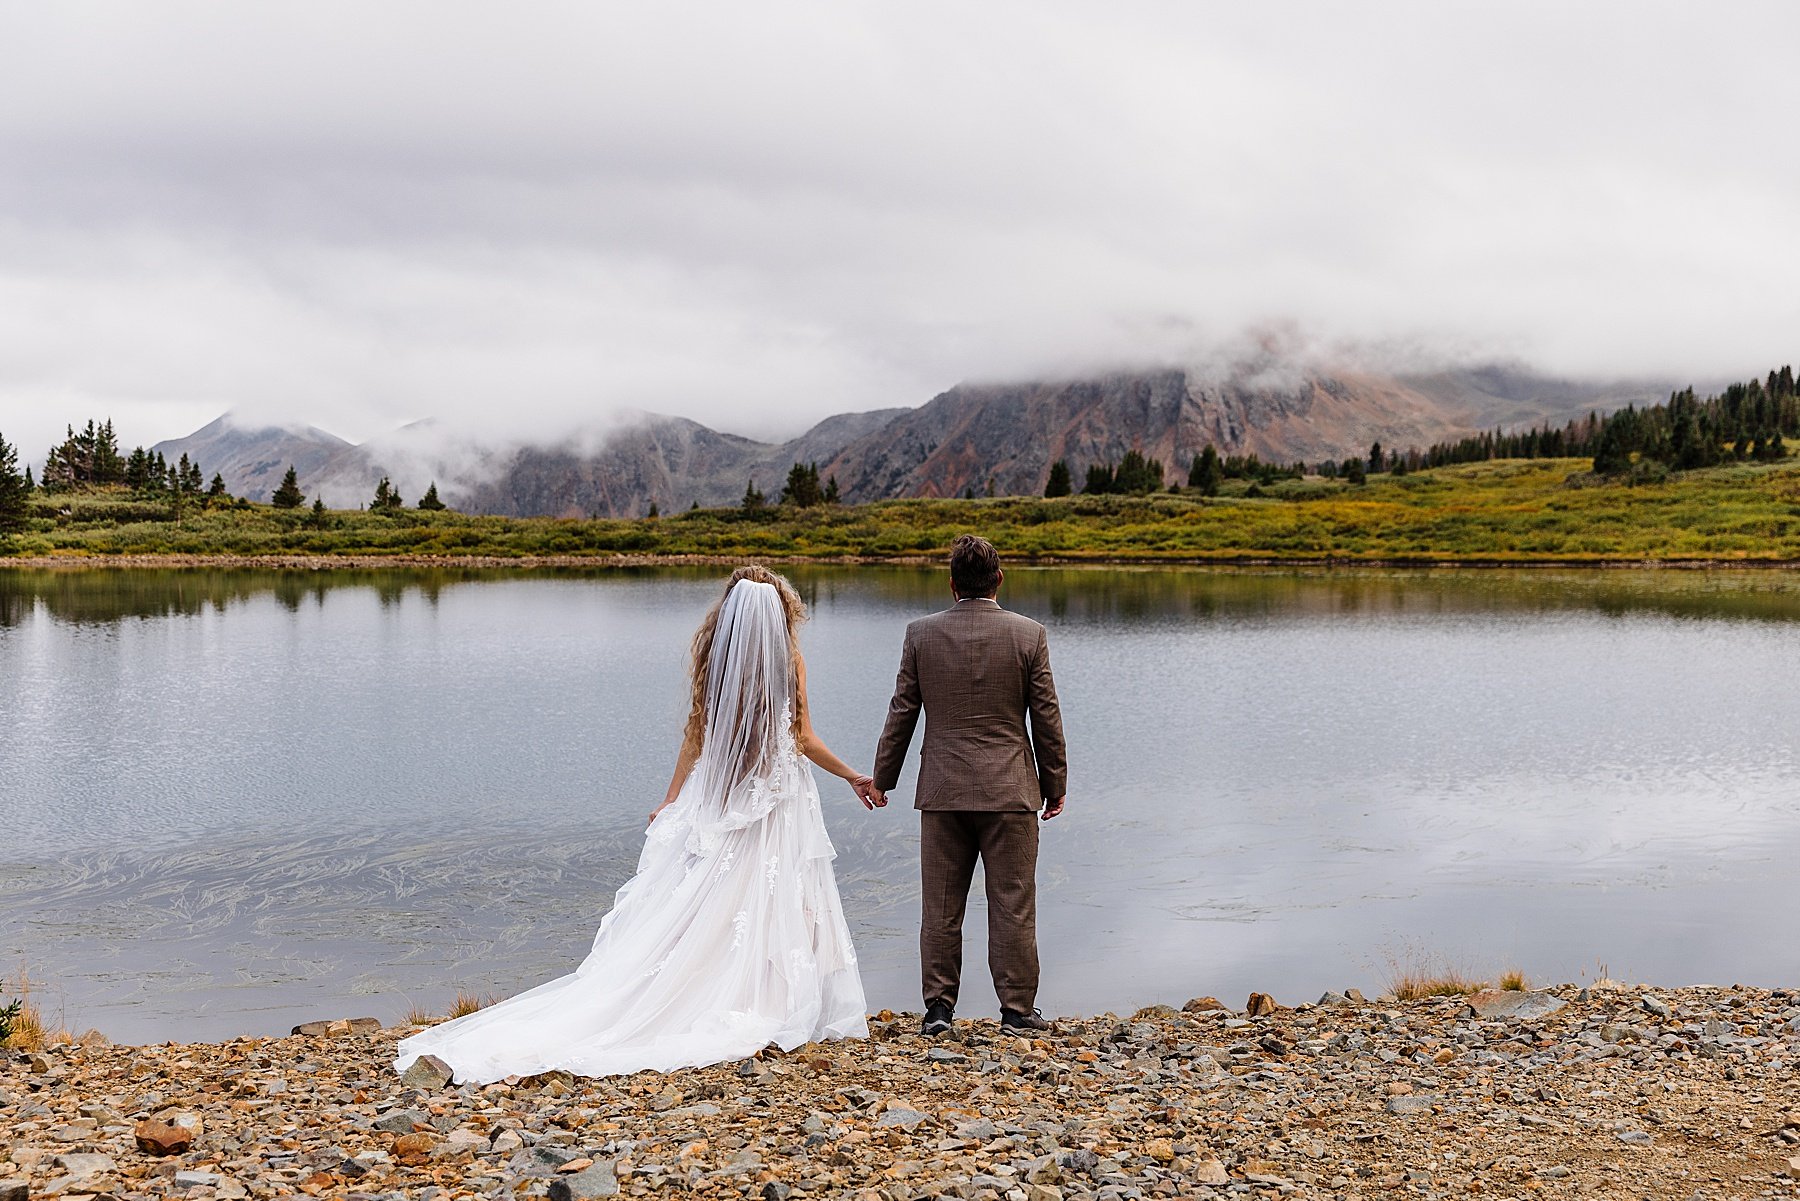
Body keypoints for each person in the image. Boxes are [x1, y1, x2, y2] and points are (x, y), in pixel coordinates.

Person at [395, 565, 879, 1084]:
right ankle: (766, 996)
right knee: (768, 896)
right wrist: (852, 775)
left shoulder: (714, 659)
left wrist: (671, 800)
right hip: (780, 798)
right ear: (783, 612)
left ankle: (721, 990)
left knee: (714, 901)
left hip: (721, 795)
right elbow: (802, 738)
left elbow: (697, 738)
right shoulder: (792, 663)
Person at [870, 534, 1067, 1036]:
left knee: (939, 904)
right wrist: (1055, 782)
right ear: (999, 579)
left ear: (952, 583)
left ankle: (938, 1011)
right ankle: (1017, 1012)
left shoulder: (921, 634)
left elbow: (902, 713)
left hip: (942, 791)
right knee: (1014, 902)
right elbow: (1046, 715)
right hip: (1012, 790)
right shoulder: (1029, 635)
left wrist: (883, 778)